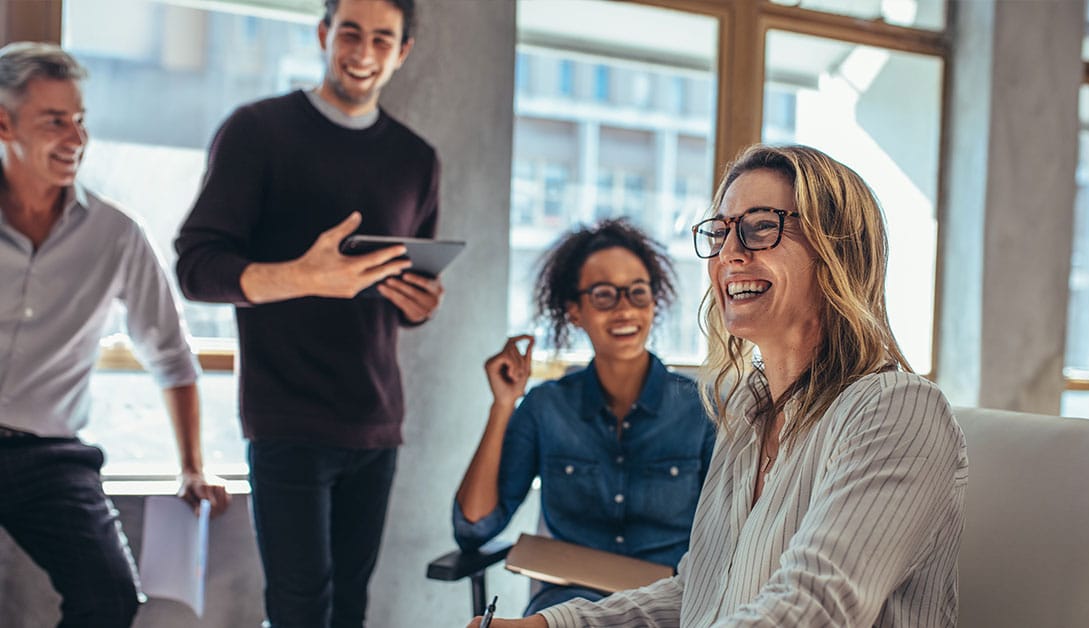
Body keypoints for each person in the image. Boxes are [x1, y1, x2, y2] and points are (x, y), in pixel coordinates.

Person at [469, 144, 969, 628]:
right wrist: (552, 625)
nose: (728, 253)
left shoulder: (897, 410)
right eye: (721, 233)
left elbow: (813, 612)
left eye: (759, 228)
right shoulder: (745, 412)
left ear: (836, 250)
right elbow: (698, 594)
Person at [173, 0, 442, 626]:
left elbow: (401, 291)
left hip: (376, 420)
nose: (363, 50)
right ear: (324, 34)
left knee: (349, 607)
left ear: (402, 52)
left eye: (383, 38)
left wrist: (418, 305)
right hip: (286, 418)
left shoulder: (416, 158)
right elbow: (196, 268)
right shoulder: (257, 131)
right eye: (349, 31)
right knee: (299, 609)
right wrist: (302, 275)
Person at [0, 42, 230, 628]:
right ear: (4, 123)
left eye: (80, 120)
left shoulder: (117, 235)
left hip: (49, 456)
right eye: (55, 121)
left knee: (110, 599)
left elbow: (172, 356)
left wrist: (193, 466)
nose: (75, 137)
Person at [453, 219, 716, 615]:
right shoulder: (546, 408)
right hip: (566, 609)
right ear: (574, 311)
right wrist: (503, 404)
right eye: (604, 295)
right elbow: (474, 526)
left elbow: (732, 537)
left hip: (669, 608)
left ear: (654, 303)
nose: (625, 308)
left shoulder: (702, 409)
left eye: (638, 293)